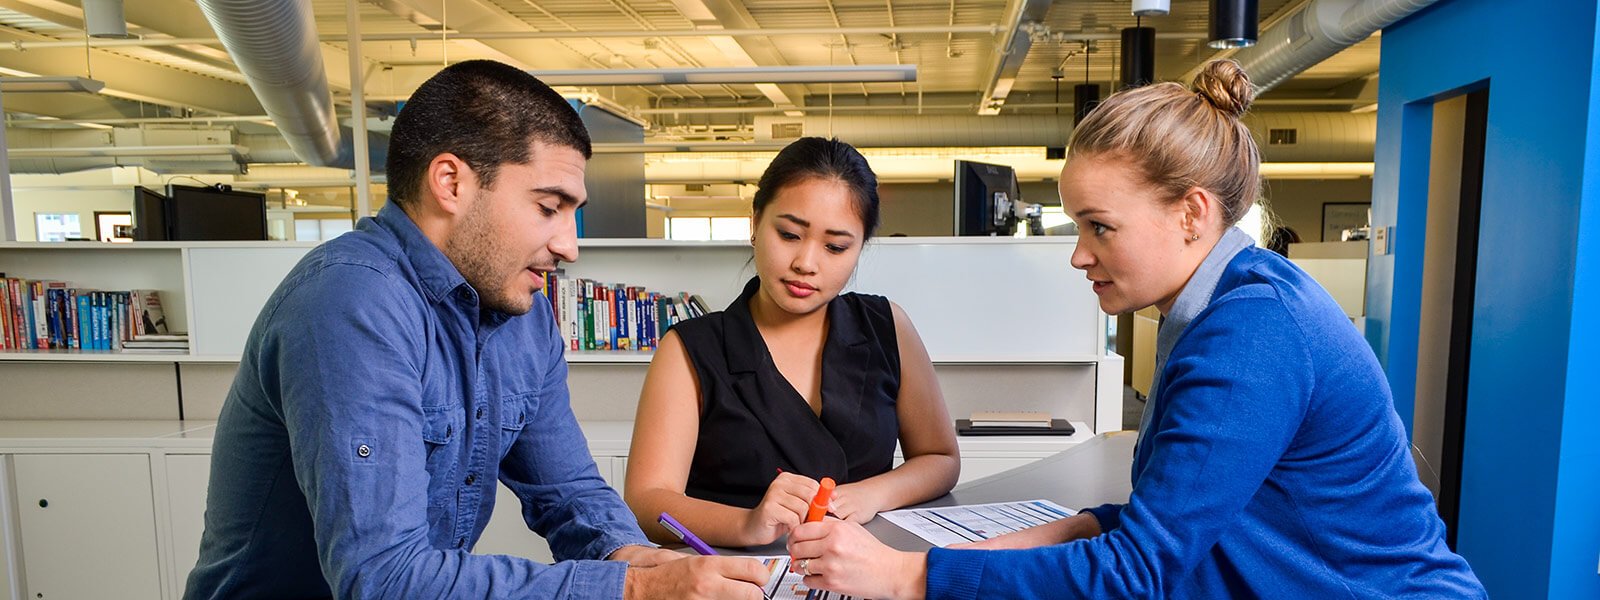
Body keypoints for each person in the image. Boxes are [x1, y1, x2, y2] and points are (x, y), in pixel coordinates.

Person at [783, 60, 1486, 598]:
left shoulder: (1253, 333)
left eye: (1100, 226)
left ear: (1192, 214)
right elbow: (1171, 518)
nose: (1078, 253)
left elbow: (1138, 574)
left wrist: (908, 578)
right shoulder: (1226, 307)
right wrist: (1047, 536)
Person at [185, 60, 767, 600]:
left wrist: (639, 560)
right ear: (451, 183)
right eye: (548, 207)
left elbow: (568, 493)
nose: (569, 245)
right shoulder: (350, 302)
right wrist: (634, 591)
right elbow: (385, 577)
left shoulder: (522, 311)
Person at [624, 137, 961, 548]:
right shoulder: (690, 349)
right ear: (755, 224)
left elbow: (940, 459)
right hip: (739, 579)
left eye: (836, 246)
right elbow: (646, 502)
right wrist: (747, 523)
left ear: (859, 249)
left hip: (869, 571)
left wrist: (875, 493)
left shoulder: (887, 325)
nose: (806, 263)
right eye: (788, 235)